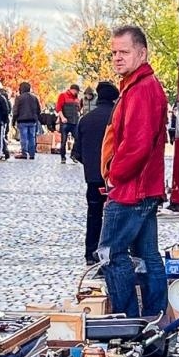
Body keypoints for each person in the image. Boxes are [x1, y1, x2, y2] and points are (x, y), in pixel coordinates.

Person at [99, 25, 168, 317]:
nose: (117, 58)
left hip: (132, 191)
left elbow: (136, 144)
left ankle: (127, 324)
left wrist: (114, 176)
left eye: (123, 52)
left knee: (111, 254)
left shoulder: (141, 89)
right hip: (142, 188)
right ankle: (155, 324)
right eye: (114, 52)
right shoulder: (138, 86)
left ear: (141, 53)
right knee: (147, 256)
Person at [73, 80, 119, 264]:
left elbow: (77, 152)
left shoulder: (86, 120)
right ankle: (111, 252)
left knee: (93, 215)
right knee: (115, 216)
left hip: (92, 178)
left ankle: (90, 252)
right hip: (115, 178)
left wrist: (91, 166)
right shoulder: (117, 118)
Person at [13, 82, 43, 159]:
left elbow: (15, 110)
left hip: (22, 120)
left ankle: (24, 153)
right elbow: (39, 110)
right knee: (32, 137)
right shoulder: (34, 98)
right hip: (32, 120)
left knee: (24, 137)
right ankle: (32, 154)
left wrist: (13, 121)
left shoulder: (19, 98)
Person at [56, 84, 81, 161]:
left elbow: (79, 109)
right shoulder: (63, 95)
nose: (77, 93)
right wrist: (62, 117)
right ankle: (63, 157)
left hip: (74, 122)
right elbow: (58, 108)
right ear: (72, 90)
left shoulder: (77, 99)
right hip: (65, 122)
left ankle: (73, 154)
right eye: (76, 91)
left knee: (78, 138)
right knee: (63, 141)